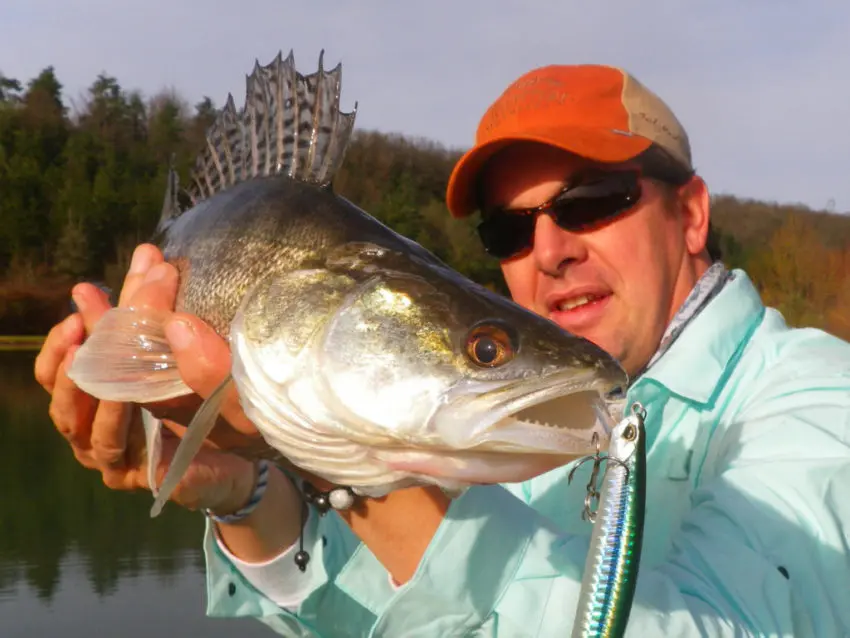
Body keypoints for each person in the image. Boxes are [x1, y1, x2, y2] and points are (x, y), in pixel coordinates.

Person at [35, 63, 850, 637]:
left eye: (594, 201)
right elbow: (407, 621)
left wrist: (337, 466)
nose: (550, 248)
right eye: (508, 226)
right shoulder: (525, 434)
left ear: (694, 216)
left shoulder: (819, 403)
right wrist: (243, 491)